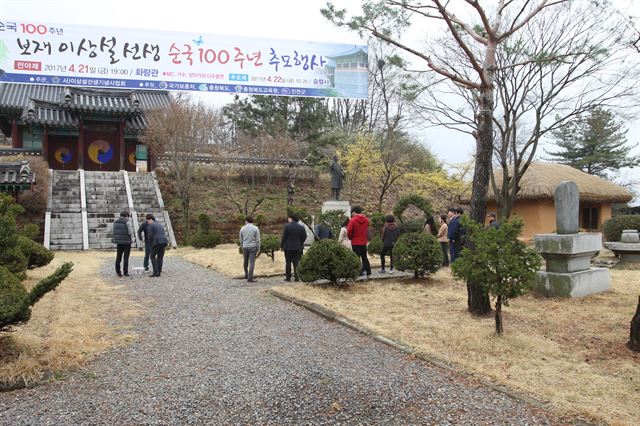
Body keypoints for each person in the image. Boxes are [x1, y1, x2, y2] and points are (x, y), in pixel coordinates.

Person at [280, 213, 307, 282]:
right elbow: (304, 236)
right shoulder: (301, 227)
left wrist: (282, 245)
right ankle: (297, 277)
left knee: (288, 262)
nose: (288, 219)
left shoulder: (287, 226)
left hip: (288, 247)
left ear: (291, 218)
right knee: (296, 263)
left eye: (288, 218)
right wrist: (300, 242)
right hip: (297, 247)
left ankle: (288, 277)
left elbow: (284, 237)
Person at [347, 206, 371, 277]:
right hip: (363, 242)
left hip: (355, 242)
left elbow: (349, 231)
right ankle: (368, 272)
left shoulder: (353, 220)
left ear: (354, 212)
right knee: (364, 257)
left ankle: (359, 272)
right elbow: (366, 229)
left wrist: (351, 237)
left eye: (352, 213)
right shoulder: (366, 220)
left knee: (356, 258)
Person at [112, 210, 134, 277]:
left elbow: (114, 232)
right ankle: (125, 272)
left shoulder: (115, 222)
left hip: (119, 242)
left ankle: (118, 272)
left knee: (118, 257)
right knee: (126, 257)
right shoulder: (127, 222)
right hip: (127, 242)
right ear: (126, 216)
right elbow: (130, 232)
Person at [239, 216, 261, 283]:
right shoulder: (255, 228)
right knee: (252, 262)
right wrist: (258, 248)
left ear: (246, 221)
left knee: (245, 261)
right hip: (253, 247)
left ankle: (246, 274)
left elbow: (241, 239)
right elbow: (258, 239)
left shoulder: (242, 228)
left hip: (245, 246)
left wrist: (242, 246)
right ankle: (250, 278)